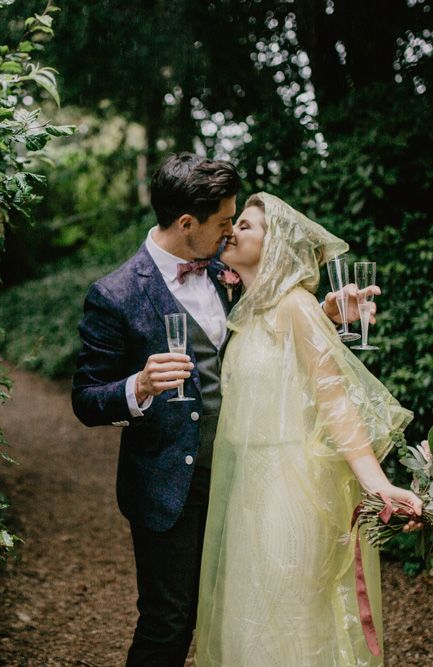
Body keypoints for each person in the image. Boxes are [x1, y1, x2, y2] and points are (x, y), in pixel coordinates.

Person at [71, 154, 367, 666]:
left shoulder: (226, 270)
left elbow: (270, 342)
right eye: (224, 222)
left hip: (246, 481)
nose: (230, 231)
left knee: (235, 609)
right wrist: (137, 387)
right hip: (168, 487)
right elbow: (86, 399)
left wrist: (325, 319)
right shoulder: (115, 295)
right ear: (187, 224)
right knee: (169, 619)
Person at [193, 192, 422, 667]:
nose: (232, 231)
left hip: (292, 485)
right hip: (248, 486)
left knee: (290, 606)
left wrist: (376, 484)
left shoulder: (296, 307)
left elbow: (335, 401)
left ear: (274, 245)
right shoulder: (248, 309)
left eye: (248, 225)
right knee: (248, 607)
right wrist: (331, 313)